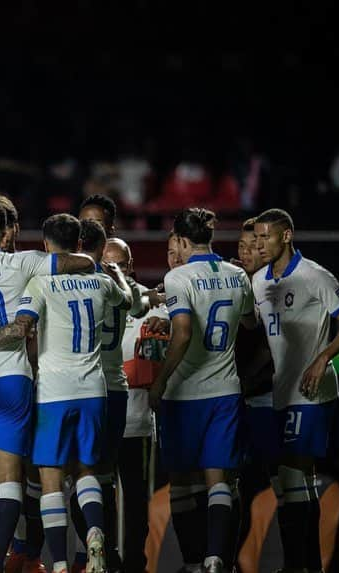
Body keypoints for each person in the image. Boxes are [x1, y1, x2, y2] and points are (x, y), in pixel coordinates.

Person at [0, 214, 133, 573]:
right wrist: (114, 273)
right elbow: (131, 301)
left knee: (50, 477)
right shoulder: (100, 281)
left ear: (47, 245)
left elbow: (19, 328)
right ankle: (96, 534)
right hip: (95, 389)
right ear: (79, 245)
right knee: (87, 472)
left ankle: (61, 564)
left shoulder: (41, 283)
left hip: (53, 390)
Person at [252, 208, 339, 573]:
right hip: (280, 389)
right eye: (257, 237)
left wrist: (322, 358)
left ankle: (301, 564)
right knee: (285, 484)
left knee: (295, 474)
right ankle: (301, 563)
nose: (260, 244)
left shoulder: (314, 275)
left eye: (266, 236)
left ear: (286, 236)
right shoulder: (258, 282)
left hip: (311, 388)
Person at [147, 208, 257, 573]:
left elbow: (182, 332)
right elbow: (250, 322)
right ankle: (215, 559)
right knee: (219, 480)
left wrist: (160, 380)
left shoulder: (178, 277)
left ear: (179, 240)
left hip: (184, 393)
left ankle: (193, 561)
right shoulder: (237, 274)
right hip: (225, 389)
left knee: (181, 481)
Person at [72, 224, 144, 573]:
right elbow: (141, 306)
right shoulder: (129, 294)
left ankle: (94, 548)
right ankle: (99, 550)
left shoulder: (87, 289)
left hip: (89, 389)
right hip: (116, 390)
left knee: (84, 474)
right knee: (100, 476)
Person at [113, 237, 170, 573]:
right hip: (100, 415)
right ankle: (103, 554)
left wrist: (152, 356)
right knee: (93, 491)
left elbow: (161, 360)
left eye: (120, 264)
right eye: (107, 264)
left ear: (131, 265)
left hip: (136, 417)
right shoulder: (90, 298)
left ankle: (135, 562)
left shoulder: (153, 305)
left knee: (135, 498)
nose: (113, 270)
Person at [231, 217, 278, 552]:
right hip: (235, 399)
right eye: (241, 246)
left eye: (254, 246)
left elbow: (269, 347)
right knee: (236, 487)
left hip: (263, 398)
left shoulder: (273, 286)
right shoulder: (233, 282)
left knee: (273, 486)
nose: (247, 252)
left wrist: (246, 382)